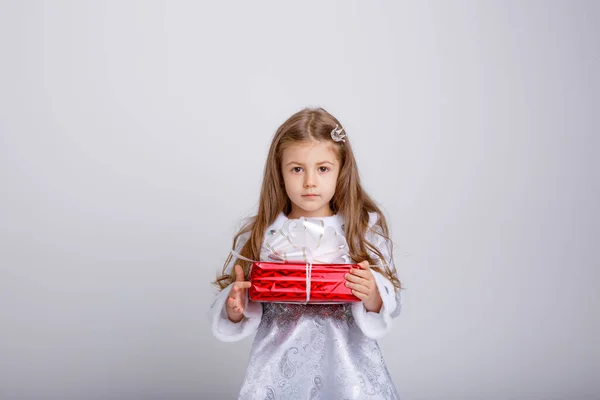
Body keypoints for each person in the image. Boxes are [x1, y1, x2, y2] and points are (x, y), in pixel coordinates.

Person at [209, 107, 404, 399]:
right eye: (297, 169)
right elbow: (241, 300)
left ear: (341, 170)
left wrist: (374, 294)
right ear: (280, 172)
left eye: (323, 168)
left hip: (348, 366)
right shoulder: (262, 233)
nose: (309, 181)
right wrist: (234, 307)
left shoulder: (362, 230)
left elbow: (393, 303)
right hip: (279, 365)